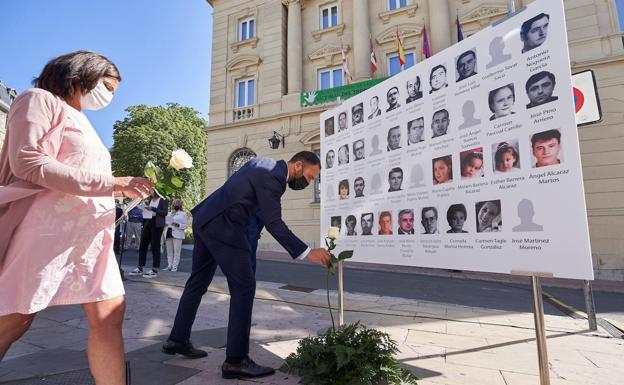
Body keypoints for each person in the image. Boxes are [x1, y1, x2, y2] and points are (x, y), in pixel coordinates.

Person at [0, 51, 153, 384]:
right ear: (83, 74)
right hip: (47, 234)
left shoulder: (82, 119)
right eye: (108, 86)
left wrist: (122, 189)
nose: (110, 96)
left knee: (109, 315)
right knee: (15, 319)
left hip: (91, 239)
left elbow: (83, 175)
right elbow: (28, 162)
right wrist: (115, 184)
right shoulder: (37, 99)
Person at [163, 151, 330, 379]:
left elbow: (253, 215)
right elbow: (274, 222)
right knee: (244, 288)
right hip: (225, 227)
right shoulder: (274, 177)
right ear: (298, 165)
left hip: (207, 219)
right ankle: (236, 360)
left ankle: (177, 339)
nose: (309, 183)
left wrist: (248, 257)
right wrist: (307, 252)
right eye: (310, 177)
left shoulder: (262, 163)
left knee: (198, 282)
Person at [129, 192, 168, 278]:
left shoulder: (163, 200)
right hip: (148, 222)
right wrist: (144, 210)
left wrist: (152, 208)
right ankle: (140, 267)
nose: (150, 192)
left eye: (152, 191)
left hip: (157, 224)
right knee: (143, 245)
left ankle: (154, 269)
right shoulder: (150, 200)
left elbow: (164, 212)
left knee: (155, 247)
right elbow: (148, 211)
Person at [163, 199, 188, 272]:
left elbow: (185, 225)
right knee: (169, 251)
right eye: (173, 204)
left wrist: (178, 225)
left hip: (177, 233)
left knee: (177, 251)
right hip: (168, 232)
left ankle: (174, 267)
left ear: (179, 205)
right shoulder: (169, 213)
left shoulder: (183, 214)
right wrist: (165, 223)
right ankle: (169, 266)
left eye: (176, 204)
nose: (174, 205)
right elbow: (166, 222)